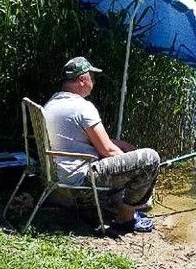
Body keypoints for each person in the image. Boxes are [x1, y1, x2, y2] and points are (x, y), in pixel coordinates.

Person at [43, 56, 159, 233]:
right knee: (150, 158)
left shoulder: (52, 102)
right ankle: (126, 218)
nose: (94, 81)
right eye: (92, 76)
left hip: (59, 175)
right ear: (83, 79)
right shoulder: (82, 107)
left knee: (131, 157)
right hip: (80, 179)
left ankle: (120, 203)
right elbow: (108, 150)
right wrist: (136, 169)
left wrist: (128, 152)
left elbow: (90, 141)